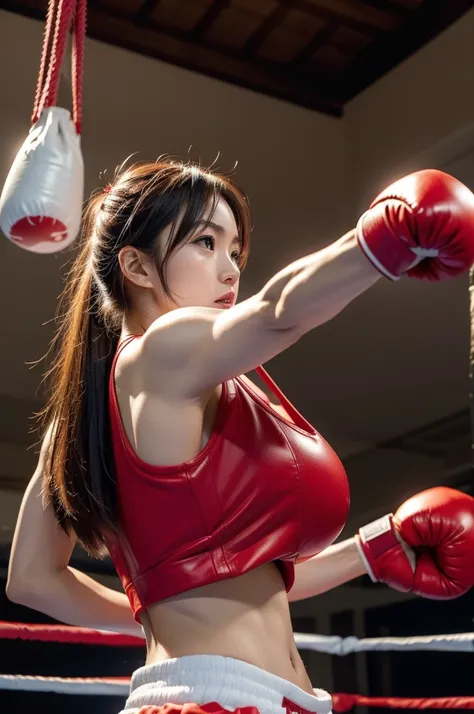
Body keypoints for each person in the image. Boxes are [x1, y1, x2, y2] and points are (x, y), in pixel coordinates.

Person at [7, 160, 474, 714]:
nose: (230, 270)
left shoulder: (83, 411)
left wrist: (372, 551)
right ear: (136, 265)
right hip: (216, 696)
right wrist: (376, 243)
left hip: (245, 693)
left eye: (235, 251)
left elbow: (33, 579)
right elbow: (279, 312)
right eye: (205, 242)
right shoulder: (163, 348)